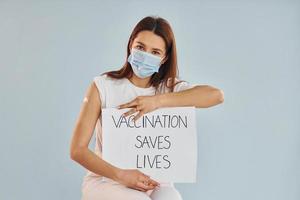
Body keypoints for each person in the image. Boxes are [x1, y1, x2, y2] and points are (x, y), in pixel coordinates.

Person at [70, 15, 224, 200]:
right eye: (141, 48)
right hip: (108, 181)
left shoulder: (170, 88)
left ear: (165, 57)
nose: (146, 56)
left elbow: (216, 95)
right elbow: (77, 150)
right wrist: (121, 175)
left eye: (155, 52)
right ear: (130, 45)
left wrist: (157, 101)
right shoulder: (103, 85)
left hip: (157, 182)